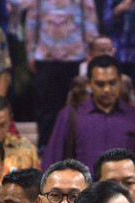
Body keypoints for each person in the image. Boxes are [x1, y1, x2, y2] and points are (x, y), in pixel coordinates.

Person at [42, 55, 135, 174]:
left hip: (123, 191)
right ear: (89, 84)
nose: (107, 89)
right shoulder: (70, 115)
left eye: (112, 83)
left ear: (120, 81)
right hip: (82, 191)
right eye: (100, 84)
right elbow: (51, 162)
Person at [26, 0, 100, 149]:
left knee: (76, 103)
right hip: (45, 55)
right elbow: (32, 19)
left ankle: (75, 144)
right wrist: (30, 51)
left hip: (75, 55)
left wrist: (92, 51)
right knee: (46, 104)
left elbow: (90, 18)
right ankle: (45, 144)